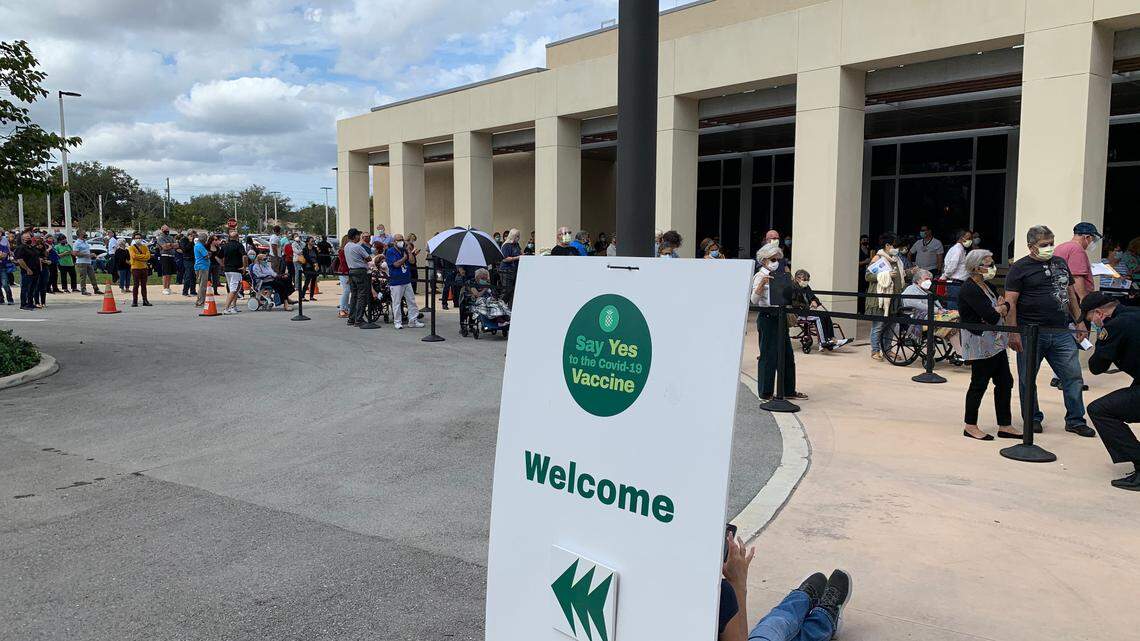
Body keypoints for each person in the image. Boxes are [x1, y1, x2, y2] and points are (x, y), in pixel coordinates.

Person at [1005, 225, 1094, 437]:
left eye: (1051, 243)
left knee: (1073, 376)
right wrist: (1013, 332)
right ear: (1031, 247)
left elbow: (1071, 294)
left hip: (1062, 331)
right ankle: (1033, 418)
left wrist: (1079, 321)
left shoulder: (1061, 263)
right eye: (1044, 245)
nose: (1049, 248)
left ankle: (1075, 419)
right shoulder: (1019, 268)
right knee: (1028, 378)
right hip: (1031, 332)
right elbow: (1011, 302)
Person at [719, 532, 852, 641]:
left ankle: (812, 607)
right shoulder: (721, 594)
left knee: (774, 626)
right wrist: (737, 583)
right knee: (773, 626)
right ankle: (822, 615)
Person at [956, 250, 1021, 441]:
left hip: (996, 343)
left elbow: (1005, 305)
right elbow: (992, 316)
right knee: (979, 384)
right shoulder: (969, 289)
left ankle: (1005, 424)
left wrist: (1000, 308)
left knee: (1004, 382)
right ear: (976, 267)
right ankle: (970, 425)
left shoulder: (988, 285)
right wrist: (999, 309)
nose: (992, 267)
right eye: (988, 264)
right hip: (979, 343)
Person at [1082, 292, 1140, 491]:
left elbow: (1097, 367)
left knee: (1100, 410)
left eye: (1092, 320)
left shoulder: (1114, 327)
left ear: (1099, 313)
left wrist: (1100, 341)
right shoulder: (1134, 312)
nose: (1094, 324)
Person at [751, 244, 807, 401]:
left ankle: (788, 390)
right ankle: (765, 392)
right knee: (768, 355)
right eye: (773, 259)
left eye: (779, 260)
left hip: (780, 317)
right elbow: (754, 300)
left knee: (787, 354)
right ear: (764, 261)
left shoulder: (781, 275)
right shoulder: (760, 276)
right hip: (767, 317)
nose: (777, 262)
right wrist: (762, 285)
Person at [865, 233, 907, 361]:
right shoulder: (878, 258)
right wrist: (887, 274)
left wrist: (910, 273)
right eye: (896, 246)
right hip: (880, 298)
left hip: (894, 297)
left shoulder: (896, 259)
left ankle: (888, 350)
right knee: (878, 325)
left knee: (891, 325)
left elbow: (900, 277)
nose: (898, 249)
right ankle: (875, 350)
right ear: (887, 245)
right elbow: (868, 276)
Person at [791, 270, 853, 351]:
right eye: (805, 279)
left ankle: (832, 339)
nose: (806, 281)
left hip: (806, 311)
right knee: (818, 317)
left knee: (825, 314)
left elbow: (813, 297)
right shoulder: (792, 288)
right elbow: (794, 303)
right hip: (798, 313)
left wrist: (814, 301)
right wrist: (806, 305)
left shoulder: (806, 287)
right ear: (797, 279)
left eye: (808, 280)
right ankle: (823, 342)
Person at [1054, 222, 1101, 302]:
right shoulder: (1077, 249)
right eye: (1093, 240)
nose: (1093, 243)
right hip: (1073, 299)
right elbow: (1077, 277)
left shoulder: (1061, 247)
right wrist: (1084, 300)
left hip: (1061, 295)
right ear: (1087, 237)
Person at [386, 234, 424, 329]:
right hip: (396, 281)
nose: (401, 241)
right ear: (394, 242)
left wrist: (408, 251)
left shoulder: (404, 250)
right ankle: (397, 322)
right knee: (397, 302)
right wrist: (404, 258)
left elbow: (411, 262)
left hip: (406, 280)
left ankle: (413, 320)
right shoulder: (390, 252)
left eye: (402, 239)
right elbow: (396, 264)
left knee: (411, 301)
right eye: (399, 240)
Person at [343, 228, 373, 327]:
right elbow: (368, 258)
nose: (359, 237)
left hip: (351, 271)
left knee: (354, 295)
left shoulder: (346, 246)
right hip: (360, 271)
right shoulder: (358, 247)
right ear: (355, 236)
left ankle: (351, 318)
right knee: (361, 295)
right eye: (358, 235)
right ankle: (359, 319)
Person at [941, 229, 973, 310]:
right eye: (968, 238)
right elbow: (952, 266)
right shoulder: (958, 249)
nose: (970, 240)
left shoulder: (959, 249)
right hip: (955, 283)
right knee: (954, 307)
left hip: (958, 283)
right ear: (961, 238)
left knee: (958, 305)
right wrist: (945, 275)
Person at [219, 231, 248, 314]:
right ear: (237, 237)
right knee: (234, 289)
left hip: (227, 270)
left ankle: (234, 307)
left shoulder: (225, 246)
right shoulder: (239, 245)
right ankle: (226, 308)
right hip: (236, 270)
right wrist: (244, 267)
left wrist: (222, 265)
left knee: (236, 289)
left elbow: (218, 257)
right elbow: (245, 256)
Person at [14, 232, 41, 310]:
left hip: (36, 271)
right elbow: (20, 260)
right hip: (27, 271)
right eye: (26, 239)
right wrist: (27, 269)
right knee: (25, 288)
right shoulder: (21, 248)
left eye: (29, 238)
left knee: (32, 288)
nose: (28, 240)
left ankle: (30, 303)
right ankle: (23, 304)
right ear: (23, 240)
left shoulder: (32, 247)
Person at [73, 231, 102, 296]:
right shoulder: (77, 243)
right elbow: (75, 253)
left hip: (88, 262)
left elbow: (86, 251)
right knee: (83, 277)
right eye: (84, 234)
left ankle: (96, 289)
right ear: (79, 235)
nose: (85, 235)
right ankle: (83, 290)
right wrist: (88, 255)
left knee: (92, 276)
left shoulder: (85, 242)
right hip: (81, 262)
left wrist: (91, 255)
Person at [127, 233, 152, 307]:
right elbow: (134, 256)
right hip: (135, 268)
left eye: (139, 238)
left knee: (144, 285)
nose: (138, 239)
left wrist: (140, 257)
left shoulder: (145, 247)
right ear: (134, 239)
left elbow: (148, 256)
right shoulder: (131, 248)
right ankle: (135, 301)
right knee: (136, 285)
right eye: (136, 238)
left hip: (144, 268)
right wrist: (143, 256)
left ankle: (145, 300)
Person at [499, 228, 522, 305]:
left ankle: (511, 309)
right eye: (517, 236)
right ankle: (500, 306)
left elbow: (519, 253)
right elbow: (505, 259)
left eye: (519, 236)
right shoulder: (506, 245)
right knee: (507, 291)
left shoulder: (517, 245)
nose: (518, 238)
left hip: (514, 271)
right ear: (513, 236)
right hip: (506, 271)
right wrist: (517, 257)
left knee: (513, 291)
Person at [154, 225, 176, 295]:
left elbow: (177, 245)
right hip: (164, 256)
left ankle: (168, 287)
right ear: (162, 230)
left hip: (172, 256)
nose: (167, 231)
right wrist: (171, 245)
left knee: (170, 273)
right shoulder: (160, 238)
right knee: (165, 273)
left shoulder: (171, 237)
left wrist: (169, 245)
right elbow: (164, 247)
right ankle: (165, 288)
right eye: (165, 229)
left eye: (168, 229)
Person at [192, 233, 211, 307]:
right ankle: (200, 301)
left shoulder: (198, 245)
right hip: (202, 267)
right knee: (202, 285)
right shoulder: (200, 246)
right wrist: (209, 254)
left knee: (201, 284)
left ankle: (200, 300)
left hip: (200, 266)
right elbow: (206, 256)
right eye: (206, 238)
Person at [335, 234, 351, 318]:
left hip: (348, 272)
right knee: (346, 291)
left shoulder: (346, 250)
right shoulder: (342, 251)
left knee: (348, 291)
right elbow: (344, 264)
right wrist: (348, 275)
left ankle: (346, 308)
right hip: (344, 273)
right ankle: (342, 309)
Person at [179, 231, 197, 297]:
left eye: (194, 235)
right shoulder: (184, 240)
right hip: (187, 259)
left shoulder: (194, 241)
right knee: (188, 275)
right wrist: (190, 241)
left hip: (194, 259)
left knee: (193, 276)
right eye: (192, 235)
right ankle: (185, 291)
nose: (193, 237)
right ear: (188, 235)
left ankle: (193, 290)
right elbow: (185, 249)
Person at [302, 236, 319, 301]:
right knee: (307, 281)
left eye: (313, 241)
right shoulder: (305, 249)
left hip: (315, 267)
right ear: (308, 242)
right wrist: (314, 264)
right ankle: (302, 296)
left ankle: (311, 296)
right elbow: (307, 258)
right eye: (312, 241)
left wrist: (317, 264)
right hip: (308, 267)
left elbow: (317, 257)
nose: (313, 242)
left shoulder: (314, 249)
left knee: (314, 281)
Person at [0, 231, 13, 305]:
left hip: (2, 267)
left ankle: (10, 299)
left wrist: (1, 255)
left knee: (5, 284)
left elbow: (4, 256)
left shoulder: (3, 246)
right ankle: (1, 299)